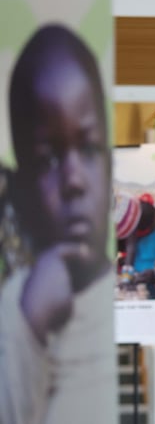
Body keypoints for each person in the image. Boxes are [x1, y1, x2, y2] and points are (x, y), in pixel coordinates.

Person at [0, 24, 114, 424]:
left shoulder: (119, 294)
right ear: (23, 184)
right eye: (47, 160)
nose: (74, 181)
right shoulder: (15, 305)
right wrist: (28, 325)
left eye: (88, 148)